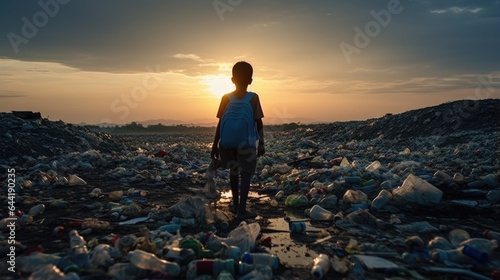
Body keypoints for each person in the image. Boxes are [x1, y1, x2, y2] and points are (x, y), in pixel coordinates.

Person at [211, 61, 265, 219]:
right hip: (247, 143)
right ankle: (242, 209)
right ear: (251, 80)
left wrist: (215, 145)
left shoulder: (225, 98)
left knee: (233, 172)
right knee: (246, 173)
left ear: (232, 79)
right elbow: (258, 122)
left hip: (227, 142)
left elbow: (220, 123)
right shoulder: (253, 98)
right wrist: (261, 143)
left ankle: (235, 206)